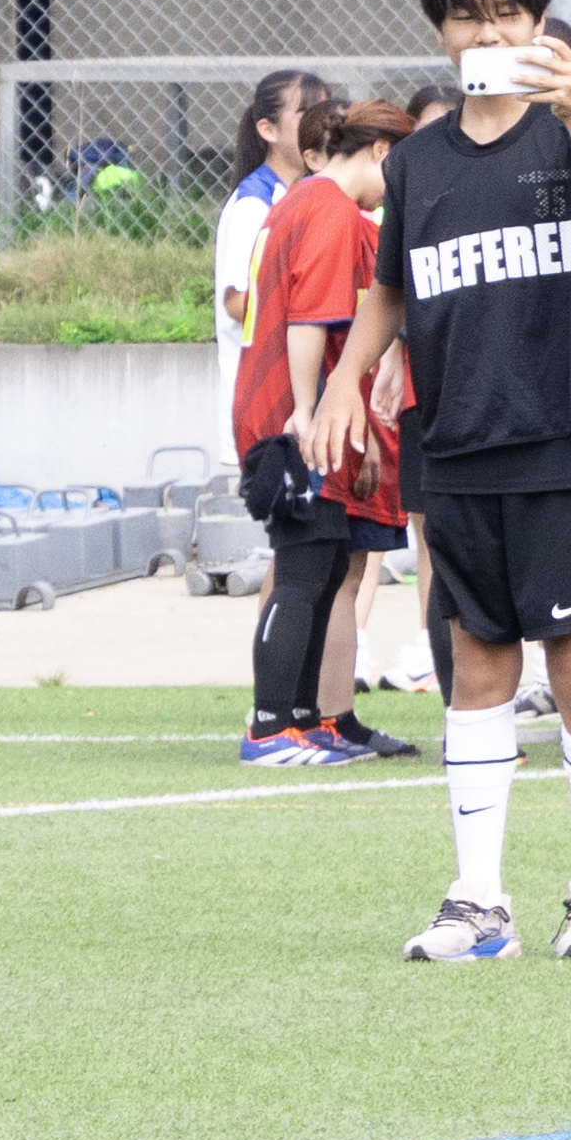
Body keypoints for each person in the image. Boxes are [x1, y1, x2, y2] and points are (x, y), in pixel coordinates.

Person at [304, 0, 571, 956]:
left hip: (564, 437)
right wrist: (344, 380)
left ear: (541, 21)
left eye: (511, 11)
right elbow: (389, 291)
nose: (491, 30)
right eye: (470, 13)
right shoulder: (417, 163)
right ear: (441, 30)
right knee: (477, 666)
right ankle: (478, 901)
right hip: (457, 445)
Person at [237, 97, 414, 765]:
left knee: (324, 565)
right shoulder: (329, 207)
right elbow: (308, 319)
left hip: (294, 408)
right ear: (380, 152)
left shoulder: (306, 202)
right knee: (303, 571)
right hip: (289, 412)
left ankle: (305, 719)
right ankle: (269, 726)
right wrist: (306, 411)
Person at [209, 68, 323, 371]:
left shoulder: (301, 194)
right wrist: (315, 297)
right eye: (306, 115)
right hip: (257, 390)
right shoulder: (253, 204)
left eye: (325, 114)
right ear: (268, 130)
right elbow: (236, 303)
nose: (323, 126)